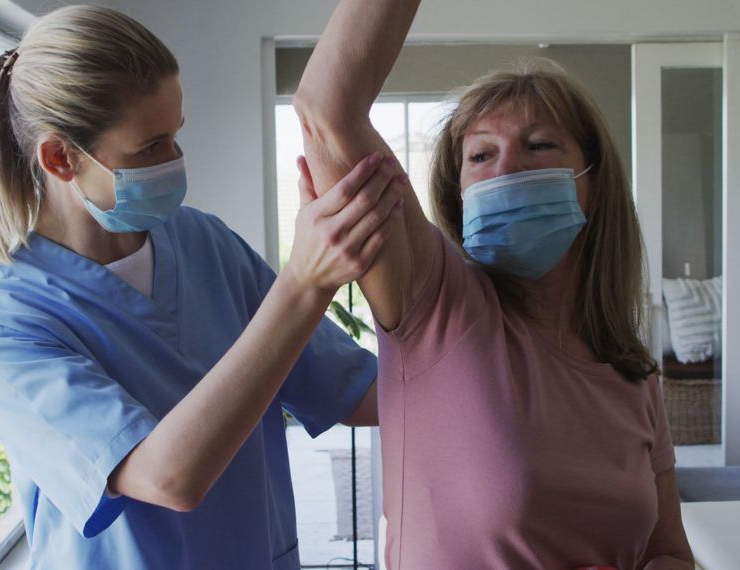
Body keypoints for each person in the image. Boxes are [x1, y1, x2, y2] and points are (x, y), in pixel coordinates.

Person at [0, 5, 405, 568]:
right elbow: (169, 478)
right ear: (61, 157)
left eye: (175, 136)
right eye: (150, 147)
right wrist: (304, 284)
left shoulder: (202, 242)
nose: (176, 161)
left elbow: (353, 388)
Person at [293, 0, 695, 567]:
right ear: (458, 195)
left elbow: (667, 551)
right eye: (481, 154)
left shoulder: (633, 374)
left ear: (593, 184)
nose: (506, 169)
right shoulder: (434, 304)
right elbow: (326, 108)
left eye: (539, 145)